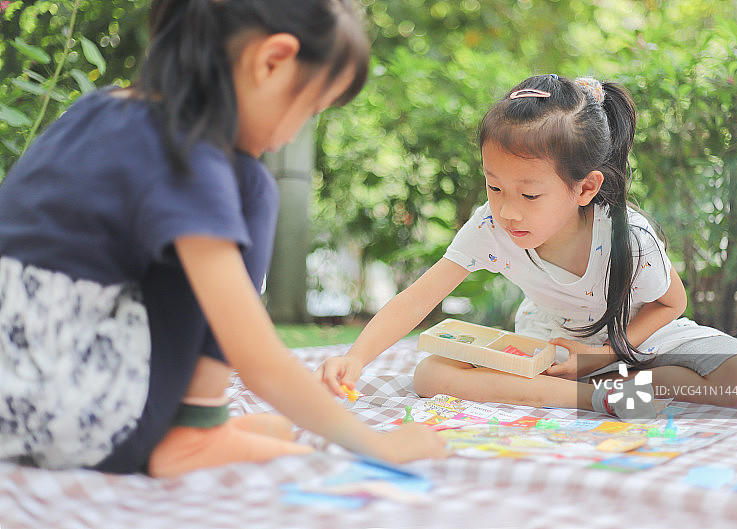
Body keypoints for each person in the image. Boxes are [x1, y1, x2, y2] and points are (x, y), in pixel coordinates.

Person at [0, 0, 446, 478]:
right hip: (66, 418)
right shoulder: (192, 152)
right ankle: (198, 432)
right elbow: (259, 360)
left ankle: (195, 427)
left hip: (15, 398)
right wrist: (377, 445)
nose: (293, 133)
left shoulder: (95, 109)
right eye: (309, 109)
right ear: (271, 62)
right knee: (252, 183)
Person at [316, 74, 737, 419]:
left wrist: (603, 356)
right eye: (494, 187)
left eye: (529, 195)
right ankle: (596, 397)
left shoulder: (628, 236)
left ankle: (612, 379)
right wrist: (355, 357)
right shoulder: (489, 228)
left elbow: (672, 303)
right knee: (429, 374)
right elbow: (418, 297)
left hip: (630, 335)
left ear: (586, 188)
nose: (508, 211)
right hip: (551, 340)